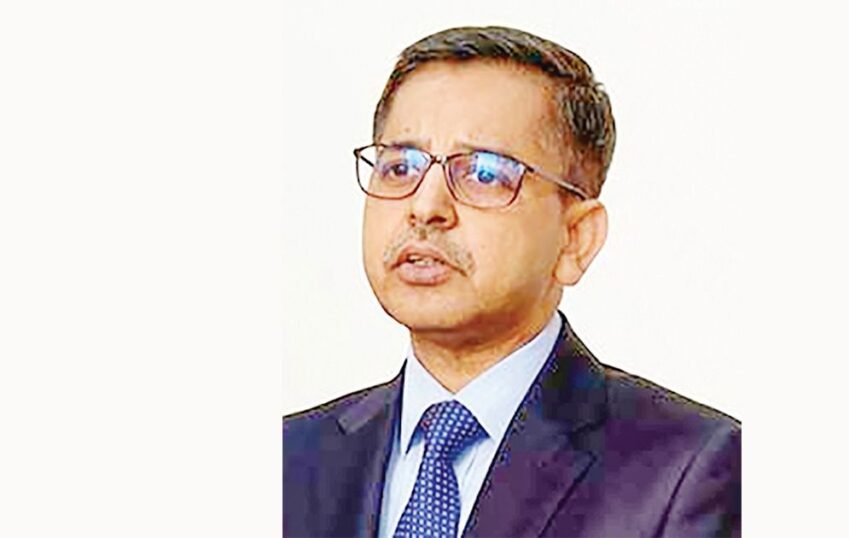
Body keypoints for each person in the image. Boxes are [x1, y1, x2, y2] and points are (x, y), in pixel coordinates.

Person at [283, 25, 740, 538]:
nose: (425, 207)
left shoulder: (689, 472)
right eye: (400, 167)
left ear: (575, 239)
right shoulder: (290, 458)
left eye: (483, 173)